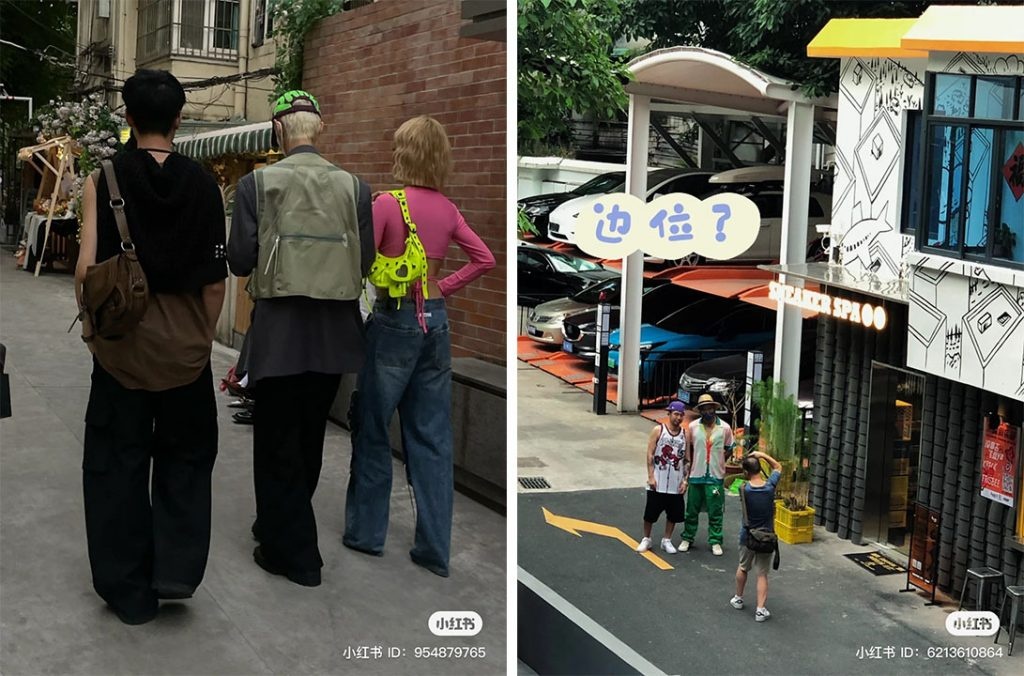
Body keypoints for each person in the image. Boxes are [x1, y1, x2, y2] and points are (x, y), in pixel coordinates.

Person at [75, 69, 227, 624]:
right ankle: (174, 572)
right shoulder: (206, 184)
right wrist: (200, 338)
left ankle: (126, 590)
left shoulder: (104, 177)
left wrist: (95, 331)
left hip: (120, 351)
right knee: (186, 463)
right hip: (186, 357)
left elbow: (87, 270)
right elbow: (216, 281)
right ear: (180, 120)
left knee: (116, 465)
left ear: (129, 118)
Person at [227, 90, 374, 587]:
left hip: (279, 335)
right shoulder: (356, 188)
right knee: (309, 437)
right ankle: (276, 523)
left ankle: (292, 552)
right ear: (321, 130)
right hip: (335, 336)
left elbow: (240, 260)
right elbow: (367, 261)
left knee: (273, 440)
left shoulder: (257, 184)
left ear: (278, 131)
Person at [343, 115, 496, 578]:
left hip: (393, 321)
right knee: (431, 439)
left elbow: (358, 260)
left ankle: (366, 534)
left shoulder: (387, 204)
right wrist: (442, 287)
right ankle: (433, 549)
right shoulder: (447, 210)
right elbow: (484, 259)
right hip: (437, 324)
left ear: (403, 152)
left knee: (372, 427)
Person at [679, 393, 735, 555]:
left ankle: (715, 540)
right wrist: (686, 471)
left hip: (715, 476)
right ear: (700, 410)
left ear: (715, 409)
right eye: (704, 409)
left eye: (710, 408)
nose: (707, 411)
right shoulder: (693, 427)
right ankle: (688, 537)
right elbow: (688, 448)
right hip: (696, 474)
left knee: (716, 510)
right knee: (691, 509)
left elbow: (729, 448)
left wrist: (720, 461)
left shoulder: (724, 428)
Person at [731, 450, 782, 622]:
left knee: (743, 567)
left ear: (746, 473)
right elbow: (778, 467)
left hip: (747, 536)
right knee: (762, 574)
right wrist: (762, 455)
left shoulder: (743, 489)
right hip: (766, 537)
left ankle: (738, 598)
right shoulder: (770, 487)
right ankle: (760, 610)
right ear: (760, 469)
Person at [636, 400, 689, 554]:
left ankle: (667, 539)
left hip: (675, 481)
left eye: (681, 415)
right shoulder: (658, 430)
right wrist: (651, 476)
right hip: (658, 480)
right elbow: (650, 453)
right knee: (650, 513)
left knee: (673, 514)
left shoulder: (685, 435)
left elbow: (687, 459)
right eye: (676, 414)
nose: (678, 418)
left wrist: (685, 481)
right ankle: (646, 538)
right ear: (669, 414)